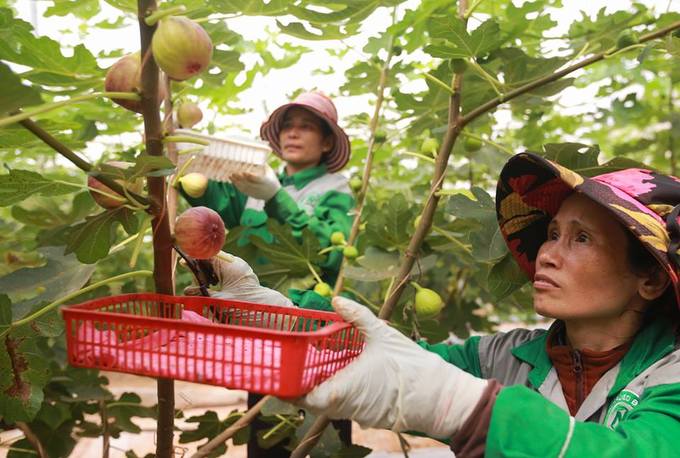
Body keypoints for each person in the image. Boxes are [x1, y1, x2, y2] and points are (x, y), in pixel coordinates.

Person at [207, 152, 680, 456]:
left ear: (652, 280)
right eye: (552, 233)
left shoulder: (672, 374)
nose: (548, 253)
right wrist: (276, 312)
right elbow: (390, 362)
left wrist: (466, 408)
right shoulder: (505, 357)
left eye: (581, 239)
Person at [179, 91, 355, 456]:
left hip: (312, 329)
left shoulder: (335, 190)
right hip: (261, 328)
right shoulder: (253, 183)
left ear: (326, 142)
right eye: (288, 127)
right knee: (266, 431)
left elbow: (331, 254)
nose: (293, 133)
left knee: (324, 433)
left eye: (306, 127)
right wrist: (182, 155)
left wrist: (278, 199)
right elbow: (217, 210)